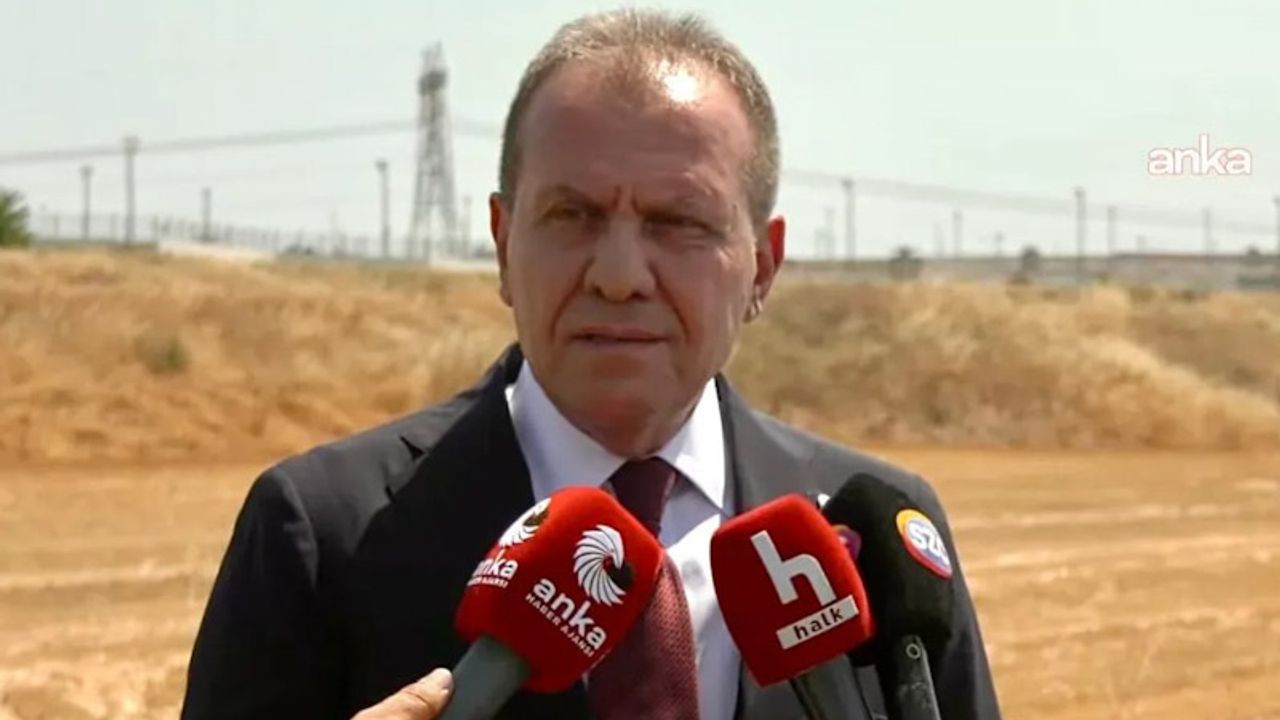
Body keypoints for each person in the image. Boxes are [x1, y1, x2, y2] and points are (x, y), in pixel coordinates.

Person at [181, 9, 1001, 720]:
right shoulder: (323, 532)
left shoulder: (878, 540)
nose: (618, 274)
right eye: (572, 214)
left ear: (763, 266)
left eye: (678, 222)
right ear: (503, 244)